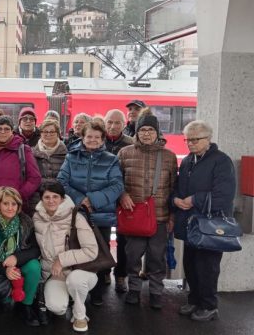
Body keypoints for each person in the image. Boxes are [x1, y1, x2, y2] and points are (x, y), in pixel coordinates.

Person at [172, 120, 236, 321]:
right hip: (191, 224)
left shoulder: (221, 161)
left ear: (208, 139)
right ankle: (194, 300)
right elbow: (179, 186)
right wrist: (175, 199)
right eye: (187, 139)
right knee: (190, 264)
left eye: (195, 139)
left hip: (211, 226)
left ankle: (209, 306)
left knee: (207, 267)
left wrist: (194, 200)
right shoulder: (188, 160)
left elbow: (224, 195)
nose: (190, 143)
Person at [57, 121, 124, 306]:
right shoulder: (71, 157)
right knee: (76, 250)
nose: (93, 140)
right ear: (83, 137)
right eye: (89, 136)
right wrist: (81, 200)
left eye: (97, 137)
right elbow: (62, 181)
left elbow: (117, 186)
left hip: (100, 215)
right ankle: (76, 291)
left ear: (102, 139)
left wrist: (93, 200)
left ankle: (98, 293)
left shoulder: (111, 159)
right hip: (77, 213)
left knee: (101, 253)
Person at [118, 110, 177, 309]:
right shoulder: (124, 153)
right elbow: (116, 181)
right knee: (132, 256)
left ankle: (156, 292)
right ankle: (133, 289)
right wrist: (122, 195)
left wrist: (172, 216)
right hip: (133, 215)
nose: (146, 134)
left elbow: (173, 187)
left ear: (157, 132)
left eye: (150, 130)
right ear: (136, 132)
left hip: (160, 215)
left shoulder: (169, 156)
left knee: (156, 257)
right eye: (142, 129)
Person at [32, 181, 98, 333]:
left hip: (81, 271)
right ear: (41, 199)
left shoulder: (75, 216)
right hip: (55, 274)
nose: (51, 201)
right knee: (57, 307)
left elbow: (91, 250)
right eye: (46, 197)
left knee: (75, 281)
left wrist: (61, 260)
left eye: (55, 196)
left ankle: (80, 315)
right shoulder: (37, 218)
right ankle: (70, 297)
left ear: (62, 199)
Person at [0, 187, 42, 326]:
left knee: (33, 267)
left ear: (19, 206)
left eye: (14, 204)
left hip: (18, 262)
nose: (10, 208)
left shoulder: (26, 222)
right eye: (5, 203)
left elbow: (35, 250)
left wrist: (16, 258)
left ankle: (26, 305)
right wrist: (5, 270)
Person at [104, 109, 134, 292]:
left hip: (124, 198)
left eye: (117, 122)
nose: (113, 126)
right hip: (104, 199)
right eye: (110, 122)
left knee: (124, 239)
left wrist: (124, 193)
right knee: (103, 237)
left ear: (124, 125)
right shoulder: (99, 142)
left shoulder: (131, 144)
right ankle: (105, 270)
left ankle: (121, 275)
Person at [28, 119, 67, 215]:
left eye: (52, 131)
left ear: (58, 133)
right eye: (45, 131)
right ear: (40, 133)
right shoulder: (30, 153)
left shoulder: (66, 154)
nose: (48, 134)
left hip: (60, 201)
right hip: (36, 202)